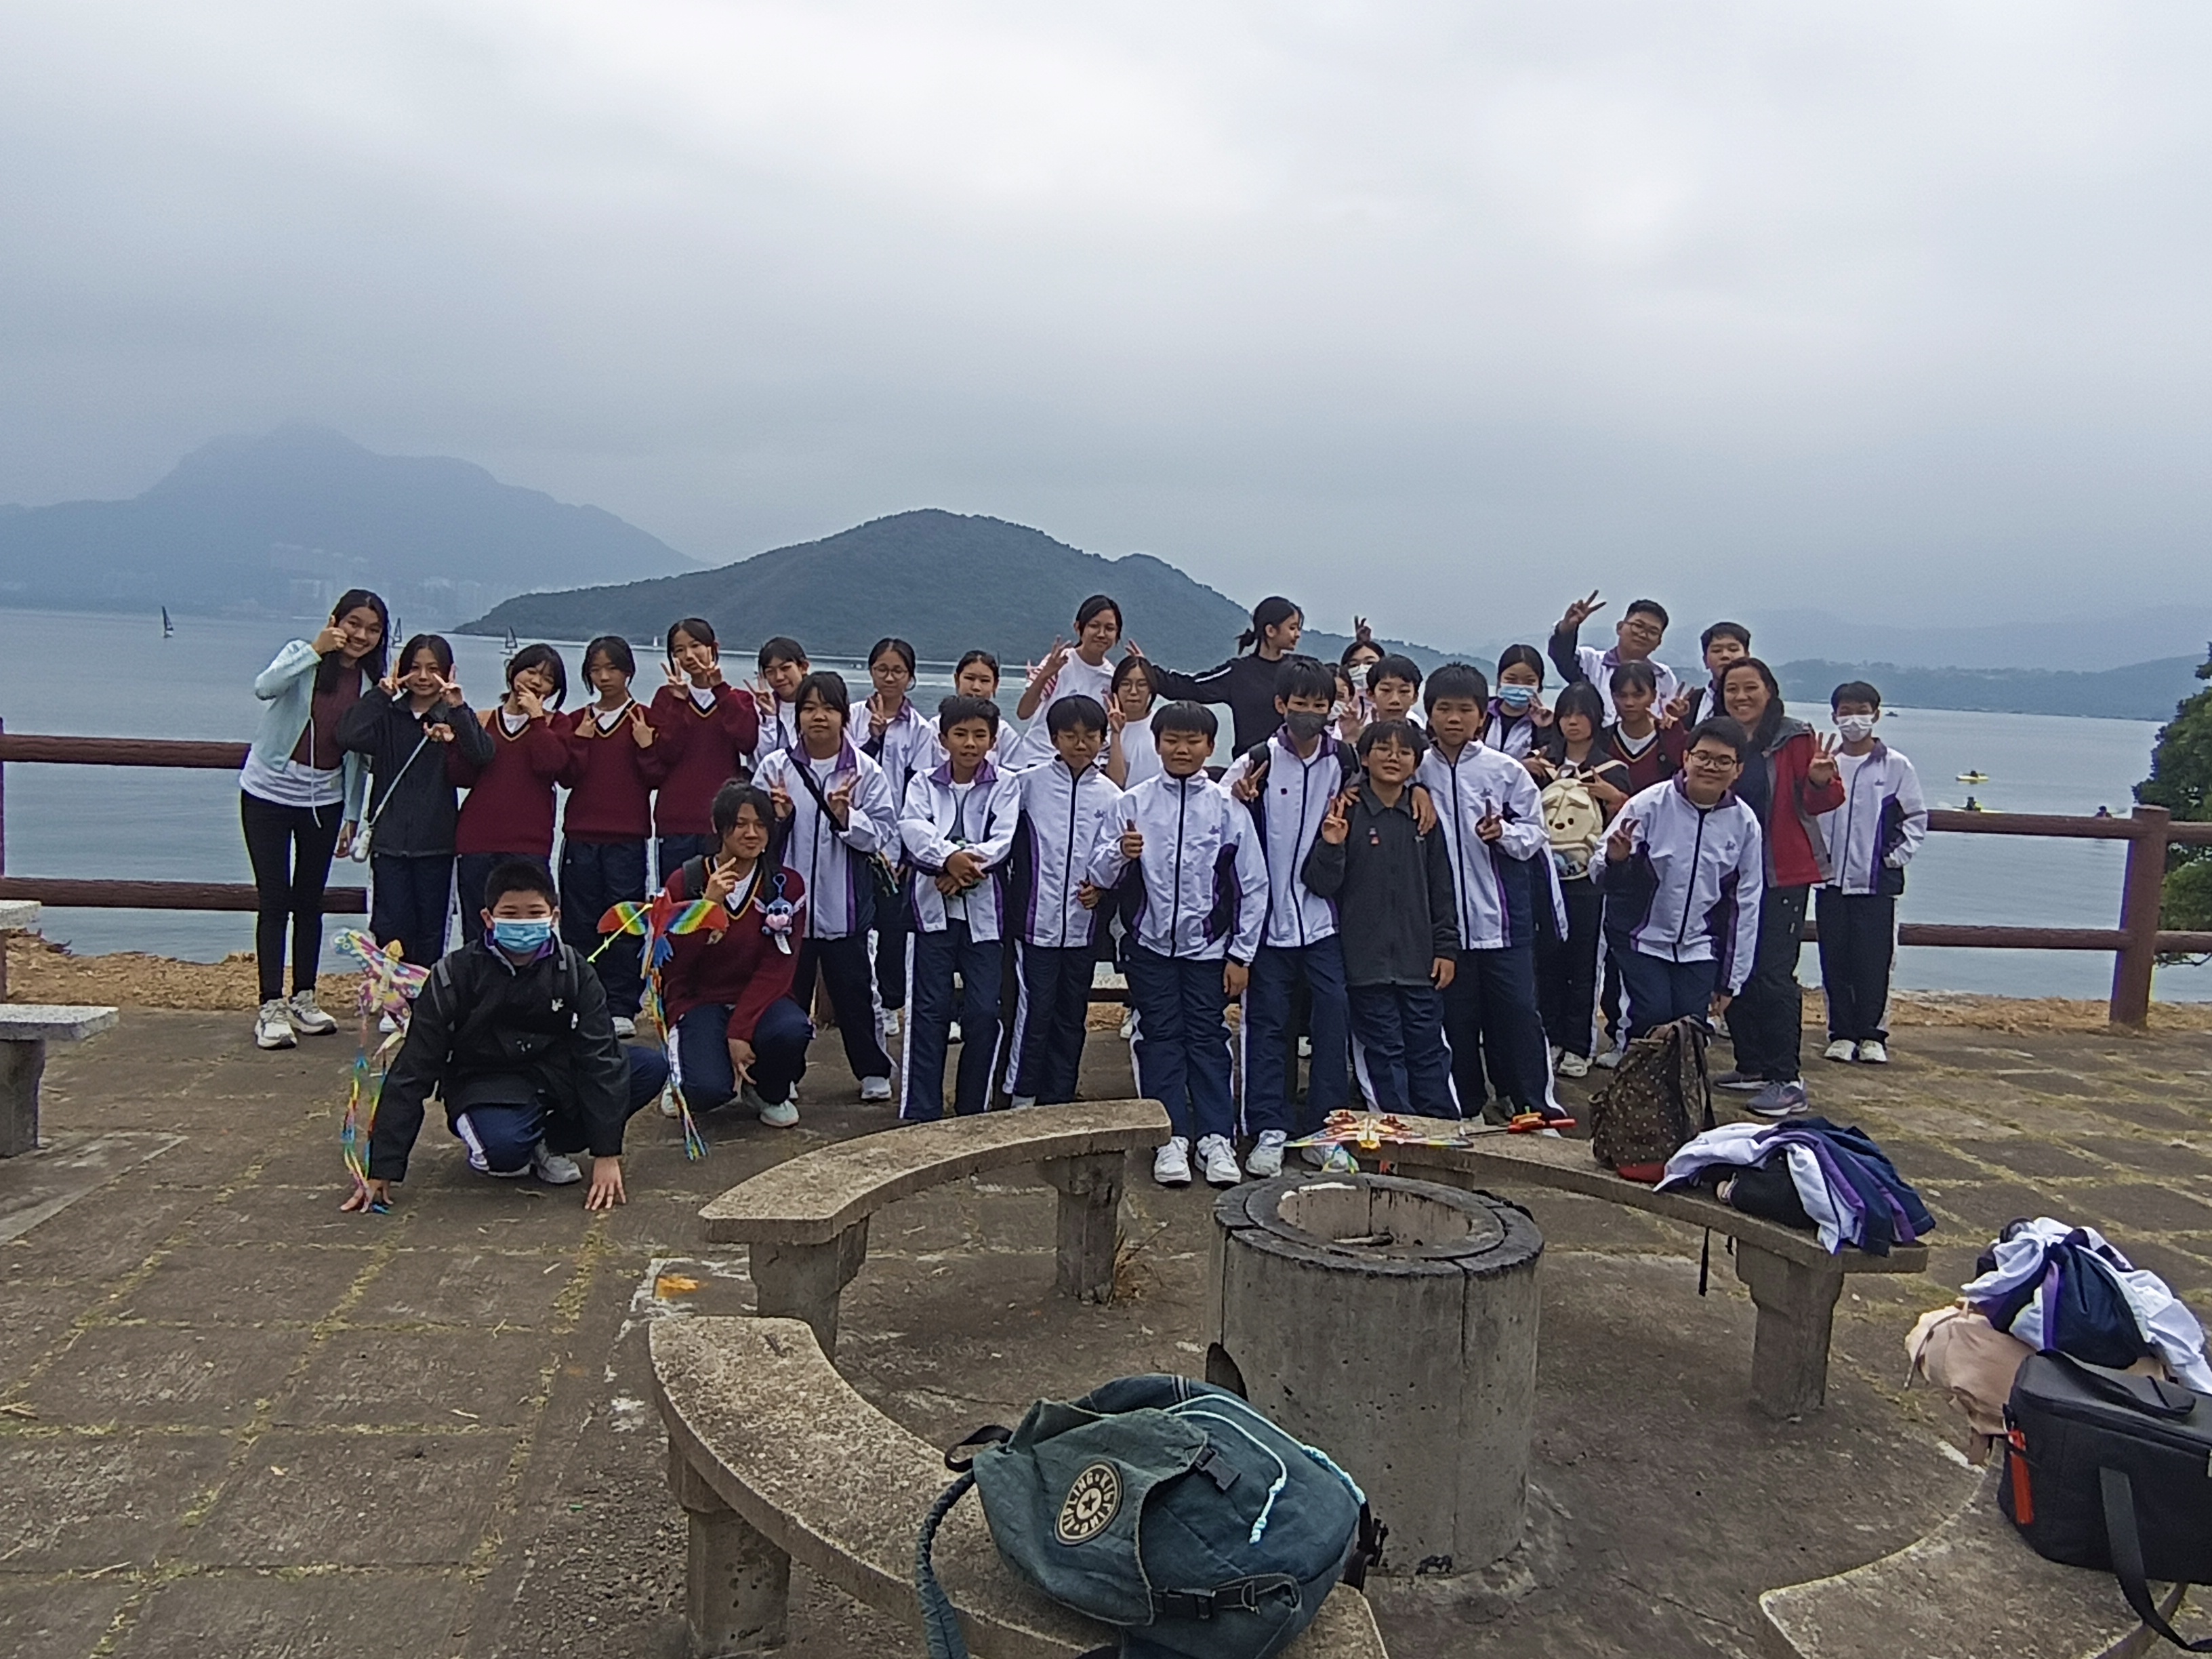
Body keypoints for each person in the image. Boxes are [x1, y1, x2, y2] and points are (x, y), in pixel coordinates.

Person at [347, 858, 669, 1212]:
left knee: (647, 1067)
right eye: (511, 914)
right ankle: (513, 1140)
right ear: (488, 918)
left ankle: (549, 1143)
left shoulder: (574, 969)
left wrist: (607, 1154)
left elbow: (600, 1056)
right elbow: (414, 1069)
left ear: (554, 917)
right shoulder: (454, 974)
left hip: (554, 1074)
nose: (523, 923)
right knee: (502, 1154)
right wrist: (383, 1167)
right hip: (485, 1080)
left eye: (535, 913)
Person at [1086, 701, 1267, 1189]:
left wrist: (1241, 955)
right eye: (1172, 740)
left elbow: (1253, 886)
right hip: (1148, 947)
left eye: (1192, 741)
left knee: (1208, 1038)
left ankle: (1216, 1137)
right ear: (1158, 744)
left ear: (1210, 747)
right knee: (1160, 1037)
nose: (1181, 749)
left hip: (1209, 949)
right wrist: (1120, 853)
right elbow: (1097, 873)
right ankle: (1169, 1138)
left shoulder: (1228, 809)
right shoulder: (1133, 803)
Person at [1220, 657, 1355, 1178]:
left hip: (1322, 921)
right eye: (1301, 704)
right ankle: (1269, 1128)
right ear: (1281, 705)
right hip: (1267, 924)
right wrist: (1237, 796)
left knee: (1333, 1017)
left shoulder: (1344, 762)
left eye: (1320, 705)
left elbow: (1390, 784)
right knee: (1267, 1025)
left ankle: (1324, 1129)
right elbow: (1218, 814)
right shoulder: (1256, 762)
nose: (1309, 714)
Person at [1416, 663, 1563, 1124]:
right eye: (1444, 708)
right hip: (1445, 928)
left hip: (1504, 921)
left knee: (1518, 1015)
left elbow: (1535, 834)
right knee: (1456, 1021)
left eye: (1465, 709)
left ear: (1483, 715)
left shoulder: (1505, 770)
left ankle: (1533, 1105)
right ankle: (1468, 1107)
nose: (1454, 719)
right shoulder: (1417, 770)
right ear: (1429, 713)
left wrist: (1503, 834)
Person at [241, 589, 387, 1049]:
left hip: (324, 798)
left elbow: (359, 759)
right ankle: (270, 1006)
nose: (361, 635)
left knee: (310, 901)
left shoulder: (372, 684)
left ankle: (304, 997)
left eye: (373, 629)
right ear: (335, 620)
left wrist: (352, 815)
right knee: (274, 900)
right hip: (267, 792)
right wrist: (314, 650)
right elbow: (265, 687)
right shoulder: (301, 655)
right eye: (354, 623)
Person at [1303, 720, 1460, 1123]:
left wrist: (1446, 948)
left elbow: (1442, 889)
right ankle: (1395, 1129)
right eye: (1383, 749)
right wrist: (1332, 846)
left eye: (1404, 752)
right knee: (1383, 1051)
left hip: (1419, 962)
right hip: (1365, 964)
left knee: (1428, 1048)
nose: (1393, 758)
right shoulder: (1348, 811)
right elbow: (1320, 884)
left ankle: (1439, 1127)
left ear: (1416, 764)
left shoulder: (1424, 818)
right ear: (1364, 758)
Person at [755, 671, 899, 1101]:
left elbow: (883, 834)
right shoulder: (776, 767)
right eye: (809, 708)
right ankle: (785, 1074)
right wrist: (778, 819)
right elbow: (753, 836)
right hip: (787, 912)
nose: (819, 717)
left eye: (829, 708)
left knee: (856, 994)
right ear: (797, 715)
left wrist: (846, 818)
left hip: (845, 906)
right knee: (785, 996)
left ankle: (873, 1070)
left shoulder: (865, 772)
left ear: (844, 716)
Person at [1713, 657, 1844, 1117]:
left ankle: (1786, 1078)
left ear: (1770, 691)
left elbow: (1824, 800)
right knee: (1733, 967)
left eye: (1750, 688)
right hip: (1729, 875)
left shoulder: (1794, 738)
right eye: (1732, 689)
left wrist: (1820, 781)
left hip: (1780, 873)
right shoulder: (1720, 738)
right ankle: (1751, 1063)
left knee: (1772, 973)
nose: (1741, 697)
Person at [657, 781, 815, 1128]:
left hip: (761, 998)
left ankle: (766, 1090)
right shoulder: (685, 881)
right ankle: (682, 1073)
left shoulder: (786, 885)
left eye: (761, 825)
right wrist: (706, 909)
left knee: (792, 1030)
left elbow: (779, 967)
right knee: (707, 1091)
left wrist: (740, 1031)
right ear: (718, 827)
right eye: (741, 824)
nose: (752, 834)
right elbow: (673, 965)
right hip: (699, 1000)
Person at [1596, 718, 1764, 1036]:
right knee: (1652, 1016)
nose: (1711, 767)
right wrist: (1618, 860)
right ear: (1686, 758)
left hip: (1700, 945)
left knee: (1690, 1027)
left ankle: (1676, 1072)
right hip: (1641, 939)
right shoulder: (1648, 805)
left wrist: (1732, 980)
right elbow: (1600, 871)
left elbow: (1746, 902)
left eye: (1723, 761)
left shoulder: (1744, 824)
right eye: (1703, 757)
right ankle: (1630, 1063)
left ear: (1738, 769)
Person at [337, 632, 492, 972]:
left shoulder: (452, 717)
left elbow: (482, 755)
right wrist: (383, 692)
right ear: (402, 669)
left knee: (431, 930)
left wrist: (458, 707)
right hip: (390, 842)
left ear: (448, 672)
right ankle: (391, 993)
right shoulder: (389, 715)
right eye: (415, 668)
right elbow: (348, 734)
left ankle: (424, 996)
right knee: (390, 926)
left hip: (437, 843)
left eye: (433, 669)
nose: (423, 677)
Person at [898, 696, 1022, 1121]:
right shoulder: (922, 783)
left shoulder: (1005, 784)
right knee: (928, 1011)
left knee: (985, 1012)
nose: (970, 743)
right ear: (943, 738)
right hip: (931, 915)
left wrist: (960, 868)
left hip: (984, 920)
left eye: (979, 735)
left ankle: (973, 1107)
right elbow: (914, 830)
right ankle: (922, 1109)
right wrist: (947, 858)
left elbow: (1003, 840)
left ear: (993, 740)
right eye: (961, 734)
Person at [1004, 696, 1122, 1106]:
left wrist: (1102, 889)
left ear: (1103, 739)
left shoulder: (1111, 796)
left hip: (1082, 927)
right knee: (1033, 1010)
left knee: (1072, 1014)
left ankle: (1060, 1094)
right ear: (1054, 738)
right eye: (1070, 736)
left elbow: (1115, 856)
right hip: (1033, 924)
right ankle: (1022, 1094)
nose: (1080, 744)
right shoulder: (1027, 785)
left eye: (1090, 736)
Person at [1812, 682, 1927, 1066]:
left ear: (1876, 715)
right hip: (1830, 882)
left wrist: (1891, 859)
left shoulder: (1895, 766)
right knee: (1835, 960)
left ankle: (1873, 1035)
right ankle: (1841, 1033)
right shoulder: (1824, 764)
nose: (1853, 719)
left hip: (1877, 885)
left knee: (1874, 961)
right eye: (1845, 711)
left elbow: (1915, 818)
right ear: (1834, 717)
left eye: (1861, 711)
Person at [559, 636, 667, 1038]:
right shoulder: (577, 720)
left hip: (627, 837)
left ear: (628, 672)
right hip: (581, 835)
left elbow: (656, 777)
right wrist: (581, 742)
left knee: (624, 922)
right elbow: (566, 777)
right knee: (579, 922)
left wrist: (645, 747)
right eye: (596, 670)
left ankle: (621, 1005)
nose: (604, 677)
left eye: (612, 669)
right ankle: (580, 1001)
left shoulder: (644, 718)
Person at [1525, 682, 1630, 1077]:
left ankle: (1579, 1045)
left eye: (1582, 714)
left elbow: (1628, 823)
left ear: (1596, 719)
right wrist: (1524, 770)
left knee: (1585, 962)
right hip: (1545, 878)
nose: (1573, 722)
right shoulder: (1540, 763)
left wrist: (1614, 797)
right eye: (1566, 713)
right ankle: (1551, 1036)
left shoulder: (1612, 770)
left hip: (1590, 882)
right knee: (1546, 960)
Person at [450, 644, 569, 946]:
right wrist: (454, 741)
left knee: (529, 929)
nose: (537, 681)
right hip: (478, 841)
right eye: (531, 671)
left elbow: (552, 765)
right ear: (512, 671)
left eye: (547, 679)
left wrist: (537, 719)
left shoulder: (556, 724)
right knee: (477, 928)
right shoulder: (483, 720)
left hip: (529, 844)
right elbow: (462, 776)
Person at [647, 618, 762, 879]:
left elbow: (747, 741)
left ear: (713, 647)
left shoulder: (737, 698)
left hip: (723, 823)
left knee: (724, 897)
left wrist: (720, 690)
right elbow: (666, 753)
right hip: (676, 822)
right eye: (679, 650)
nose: (688, 655)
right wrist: (679, 702)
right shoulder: (667, 698)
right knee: (676, 898)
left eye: (695, 645)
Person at [1145, 596, 1305, 756]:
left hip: (1295, 764)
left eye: (1298, 629)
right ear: (1270, 630)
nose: (1298, 634)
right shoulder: (1239, 672)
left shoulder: (1304, 670)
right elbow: (1192, 688)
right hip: (1250, 766)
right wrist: (1146, 672)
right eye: (1292, 628)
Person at [1011, 596, 1129, 768]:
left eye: (1109, 628)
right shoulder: (1060, 663)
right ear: (1078, 627)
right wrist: (1044, 675)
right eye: (1094, 626)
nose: (1101, 634)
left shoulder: (1113, 679)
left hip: (1083, 767)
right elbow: (1024, 712)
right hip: (1040, 759)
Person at [1547, 591, 1679, 722]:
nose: (1643, 635)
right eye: (1638, 626)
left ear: (1659, 642)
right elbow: (1561, 656)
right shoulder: (1591, 663)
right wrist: (1567, 628)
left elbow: (1667, 718)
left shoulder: (1663, 676)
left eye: (1653, 632)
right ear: (1620, 627)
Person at [1665, 622, 1753, 726]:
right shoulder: (1691, 703)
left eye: (1733, 649)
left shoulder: (1758, 700)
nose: (1725, 655)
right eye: (1717, 650)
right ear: (1705, 661)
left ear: (1747, 657)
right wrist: (1676, 721)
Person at [949, 649, 1025, 765]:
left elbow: (1016, 771)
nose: (976, 687)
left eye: (984, 681)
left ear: (995, 685)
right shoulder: (936, 727)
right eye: (969, 678)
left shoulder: (1004, 733)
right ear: (957, 680)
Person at [750, 636, 811, 769]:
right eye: (770, 672)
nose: (779, 677)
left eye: (785, 668)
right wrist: (769, 718)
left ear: (803, 667)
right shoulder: (758, 711)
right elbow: (760, 763)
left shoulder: (823, 706)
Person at [1104, 655, 1164, 790]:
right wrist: (1115, 734)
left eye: (1142, 685)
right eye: (1126, 684)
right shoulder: (1103, 730)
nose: (1133, 692)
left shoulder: (1164, 724)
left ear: (1151, 688)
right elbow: (1115, 783)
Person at [1486, 646, 1551, 758]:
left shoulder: (1543, 723)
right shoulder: (1481, 713)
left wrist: (1546, 728)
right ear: (1499, 680)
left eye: (1529, 682)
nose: (1520, 686)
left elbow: (1548, 757)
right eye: (1511, 680)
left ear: (1539, 685)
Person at [1366, 655, 1425, 729]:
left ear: (1415, 697)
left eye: (1404, 691)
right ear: (1371, 695)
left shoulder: (1423, 736)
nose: (1395, 700)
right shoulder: (1361, 735)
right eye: (1386, 690)